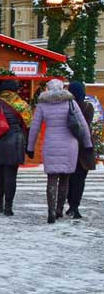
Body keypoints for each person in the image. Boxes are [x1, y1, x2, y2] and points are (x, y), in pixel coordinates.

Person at [27, 79, 92, 223]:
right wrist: (87, 144)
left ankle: (50, 212)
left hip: (50, 145)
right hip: (70, 145)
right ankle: (59, 210)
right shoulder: (71, 103)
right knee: (65, 179)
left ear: (48, 89)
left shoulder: (43, 105)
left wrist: (30, 147)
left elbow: (34, 128)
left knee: (51, 179)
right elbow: (83, 126)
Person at [0, 80, 32, 217]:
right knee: (11, 176)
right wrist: (28, 146)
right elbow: (28, 127)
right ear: (15, 90)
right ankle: (8, 207)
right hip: (15, 143)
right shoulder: (23, 106)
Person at [67, 81, 96, 219]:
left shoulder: (66, 107)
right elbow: (87, 124)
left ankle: (69, 204)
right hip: (84, 147)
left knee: (68, 178)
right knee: (80, 179)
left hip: (68, 145)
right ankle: (75, 206)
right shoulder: (88, 107)